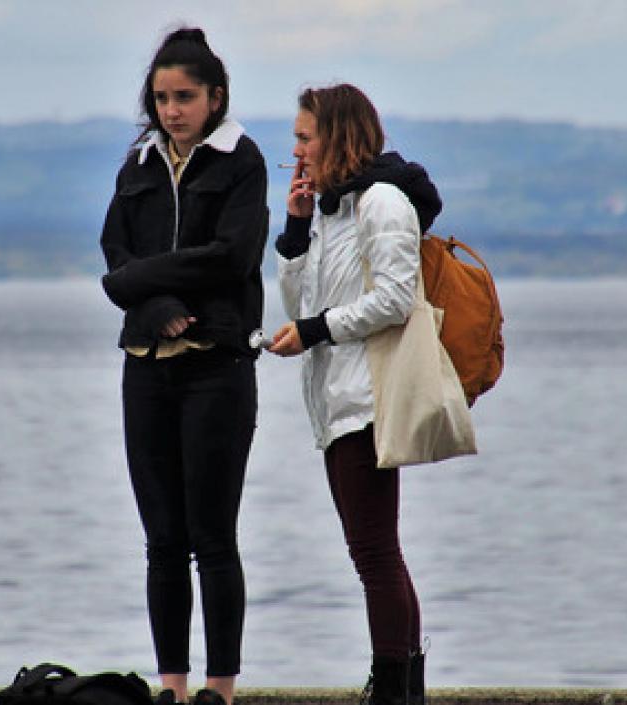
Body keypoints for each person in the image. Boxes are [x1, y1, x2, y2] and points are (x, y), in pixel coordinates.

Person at [99, 27, 268, 705]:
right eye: (163, 97)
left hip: (217, 365)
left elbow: (233, 256)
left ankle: (219, 687)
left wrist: (143, 280)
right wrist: (155, 297)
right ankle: (171, 685)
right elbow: (114, 253)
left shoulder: (241, 160)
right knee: (162, 539)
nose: (173, 110)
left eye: (186, 97)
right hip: (145, 365)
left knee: (212, 535)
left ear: (215, 97)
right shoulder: (138, 163)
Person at [266, 84, 443, 705]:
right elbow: (301, 306)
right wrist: (292, 231)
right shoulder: (332, 209)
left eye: (304, 137)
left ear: (338, 135)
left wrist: (315, 330)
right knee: (374, 549)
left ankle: (393, 687)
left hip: (367, 397)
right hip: (335, 398)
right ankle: (403, 680)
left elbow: (395, 299)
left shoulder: (383, 203)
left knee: (372, 550)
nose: (296, 150)